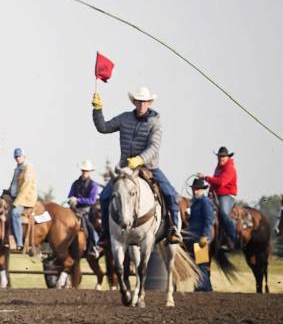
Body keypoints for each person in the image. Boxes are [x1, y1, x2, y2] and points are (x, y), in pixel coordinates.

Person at [92, 86, 181, 244]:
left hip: (149, 167)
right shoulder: (124, 118)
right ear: (134, 102)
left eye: (144, 102)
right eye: (139, 101)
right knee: (105, 196)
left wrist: (140, 159)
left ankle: (173, 229)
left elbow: (154, 147)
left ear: (149, 103)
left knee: (170, 194)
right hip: (125, 168)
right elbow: (103, 127)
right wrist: (97, 110)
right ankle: (106, 233)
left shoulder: (155, 123)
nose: (141, 105)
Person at [199, 146, 238, 250]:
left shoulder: (230, 168)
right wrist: (209, 193)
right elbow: (214, 183)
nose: (221, 158)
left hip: (227, 195)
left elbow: (221, 182)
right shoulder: (218, 168)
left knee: (223, 212)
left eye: (223, 156)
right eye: (219, 156)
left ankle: (233, 238)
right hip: (216, 195)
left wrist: (205, 178)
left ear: (228, 157)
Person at [185, 178, 214, 291]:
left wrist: (205, 236)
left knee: (201, 263)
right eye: (194, 189)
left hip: (200, 237)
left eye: (197, 189)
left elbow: (208, 220)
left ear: (202, 190)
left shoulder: (205, 202)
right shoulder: (195, 203)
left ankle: (201, 287)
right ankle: (206, 287)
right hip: (193, 237)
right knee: (198, 264)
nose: (195, 191)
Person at [67, 159, 101, 257]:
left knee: (87, 224)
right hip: (74, 208)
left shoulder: (93, 185)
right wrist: (71, 199)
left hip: (86, 209)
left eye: (86, 171)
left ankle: (95, 245)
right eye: (83, 170)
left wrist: (78, 200)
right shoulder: (75, 183)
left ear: (90, 172)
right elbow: (70, 195)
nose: (85, 172)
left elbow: (92, 200)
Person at [6, 148, 37, 251]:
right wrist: (7, 192)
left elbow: (25, 188)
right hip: (15, 196)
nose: (17, 158)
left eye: (19, 156)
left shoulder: (28, 169)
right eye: (16, 156)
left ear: (24, 157)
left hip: (25, 200)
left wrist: (16, 203)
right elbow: (14, 184)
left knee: (15, 213)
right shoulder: (18, 169)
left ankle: (19, 242)